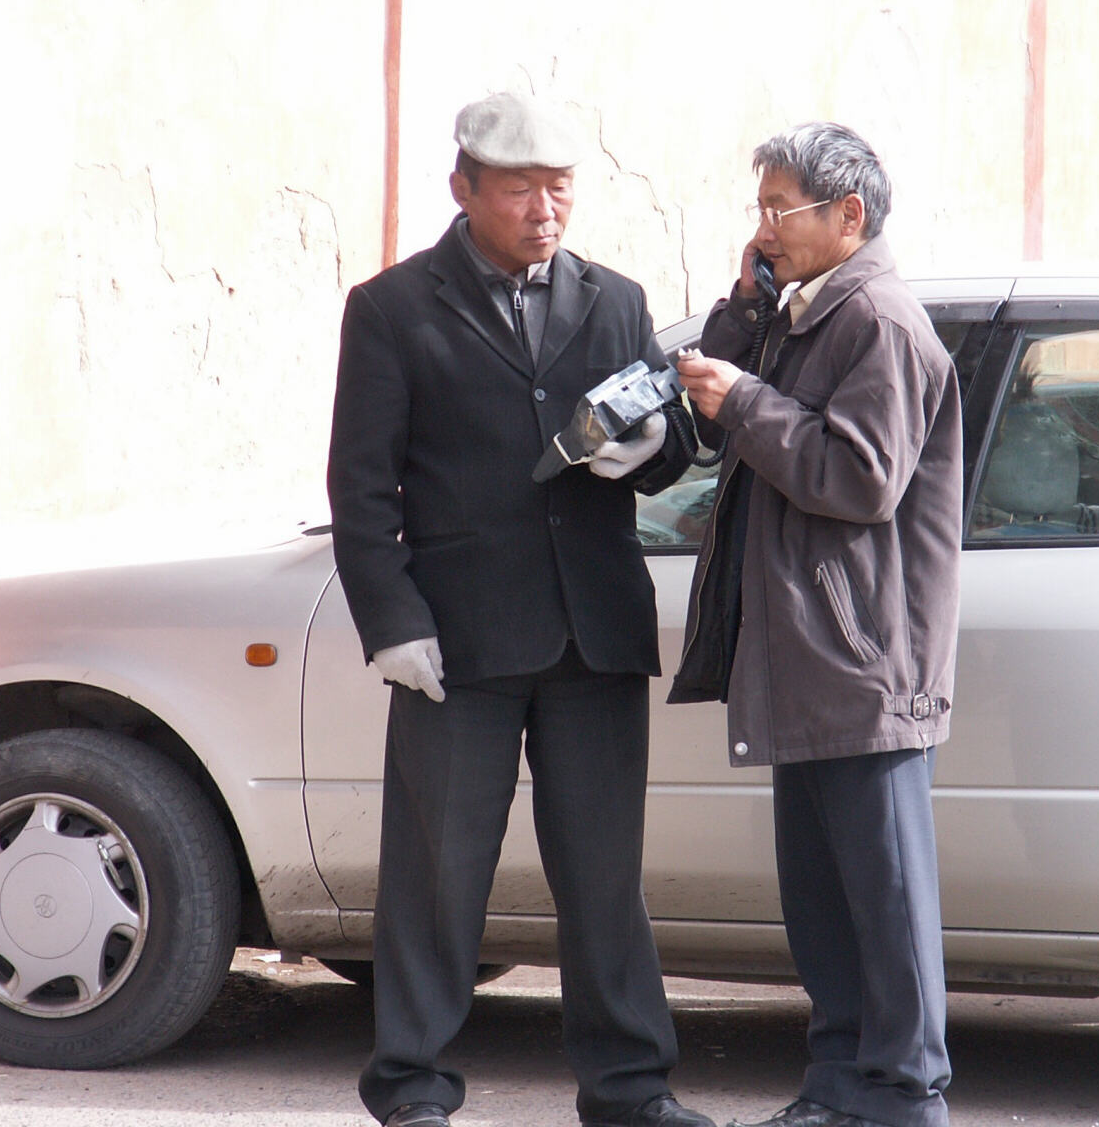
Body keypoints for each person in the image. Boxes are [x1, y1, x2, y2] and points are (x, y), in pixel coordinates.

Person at [327, 90, 713, 1127]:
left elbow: (665, 442)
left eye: (560, 187)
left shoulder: (615, 300)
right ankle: (413, 1089)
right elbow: (361, 488)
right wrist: (391, 620)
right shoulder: (394, 308)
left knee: (602, 882)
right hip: (457, 641)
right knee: (437, 879)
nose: (545, 209)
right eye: (518, 189)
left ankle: (630, 1090)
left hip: (593, 633)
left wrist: (652, 450)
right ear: (464, 189)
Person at [671, 122, 962, 1127]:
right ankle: (839, 1089)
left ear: (848, 216)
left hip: (863, 663)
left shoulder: (876, 319)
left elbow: (859, 477)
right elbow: (729, 398)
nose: (763, 227)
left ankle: (904, 1097)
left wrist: (746, 399)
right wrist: (744, 313)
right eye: (758, 209)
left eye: (776, 210)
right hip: (809, 656)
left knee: (883, 909)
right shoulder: (803, 311)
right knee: (825, 907)